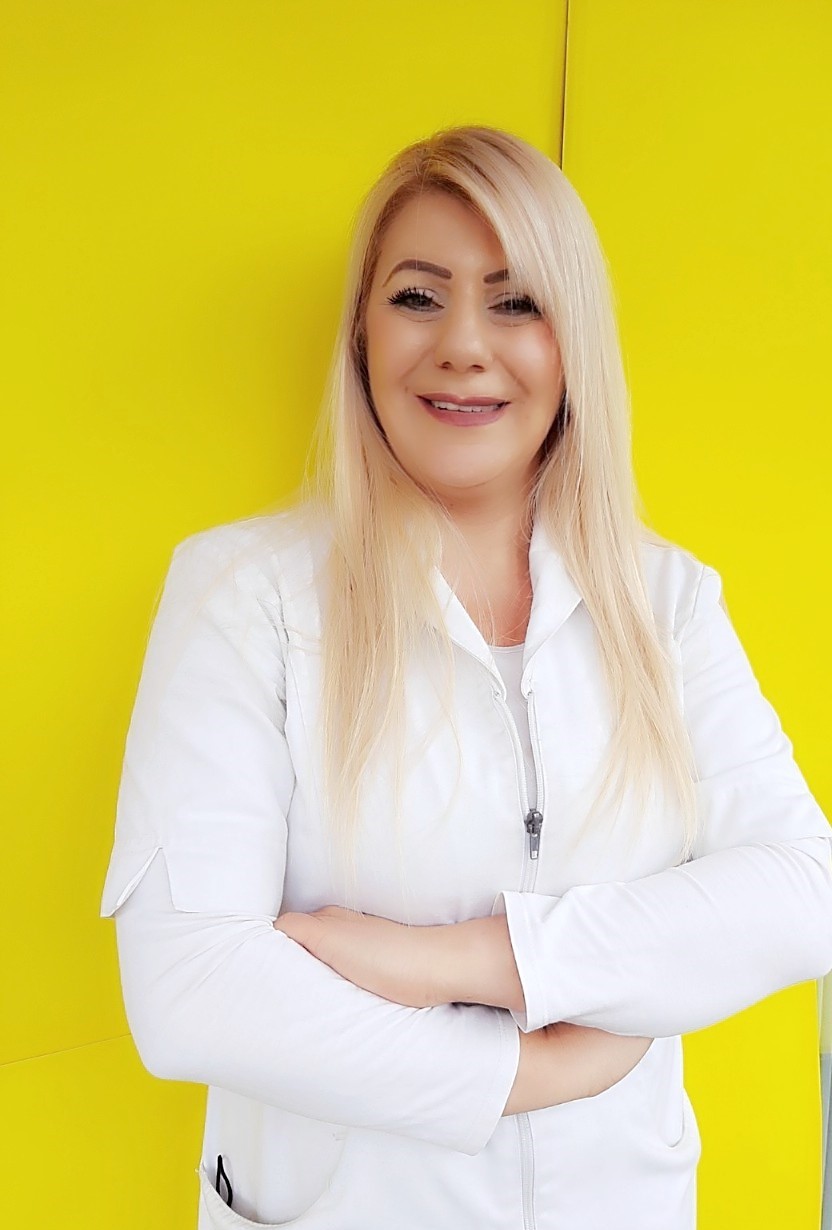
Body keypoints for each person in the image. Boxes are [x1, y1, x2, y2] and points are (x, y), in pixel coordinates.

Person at [99, 124, 832, 1230]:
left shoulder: (667, 601)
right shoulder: (244, 596)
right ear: (361, 333)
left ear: (572, 343)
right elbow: (190, 991)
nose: (463, 346)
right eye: (417, 297)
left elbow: (800, 893)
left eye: (515, 301)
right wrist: (526, 1072)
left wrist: (471, 960)